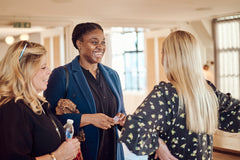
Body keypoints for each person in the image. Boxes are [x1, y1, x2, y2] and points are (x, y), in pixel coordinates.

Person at [119, 30, 240, 160]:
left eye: (162, 53)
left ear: (168, 57)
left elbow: (135, 129)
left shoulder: (165, 95)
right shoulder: (209, 92)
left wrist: (157, 144)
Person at [44, 22, 126, 160]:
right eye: (94, 42)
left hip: (113, 152)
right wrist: (88, 119)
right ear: (79, 44)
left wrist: (123, 120)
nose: (100, 46)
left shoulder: (113, 75)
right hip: (81, 154)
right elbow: (48, 120)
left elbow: (121, 111)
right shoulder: (62, 74)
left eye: (103, 42)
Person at [0, 40, 80, 160]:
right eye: (43, 67)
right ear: (23, 71)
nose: (49, 71)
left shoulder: (39, 104)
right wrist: (56, 157)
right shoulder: (12, 108)